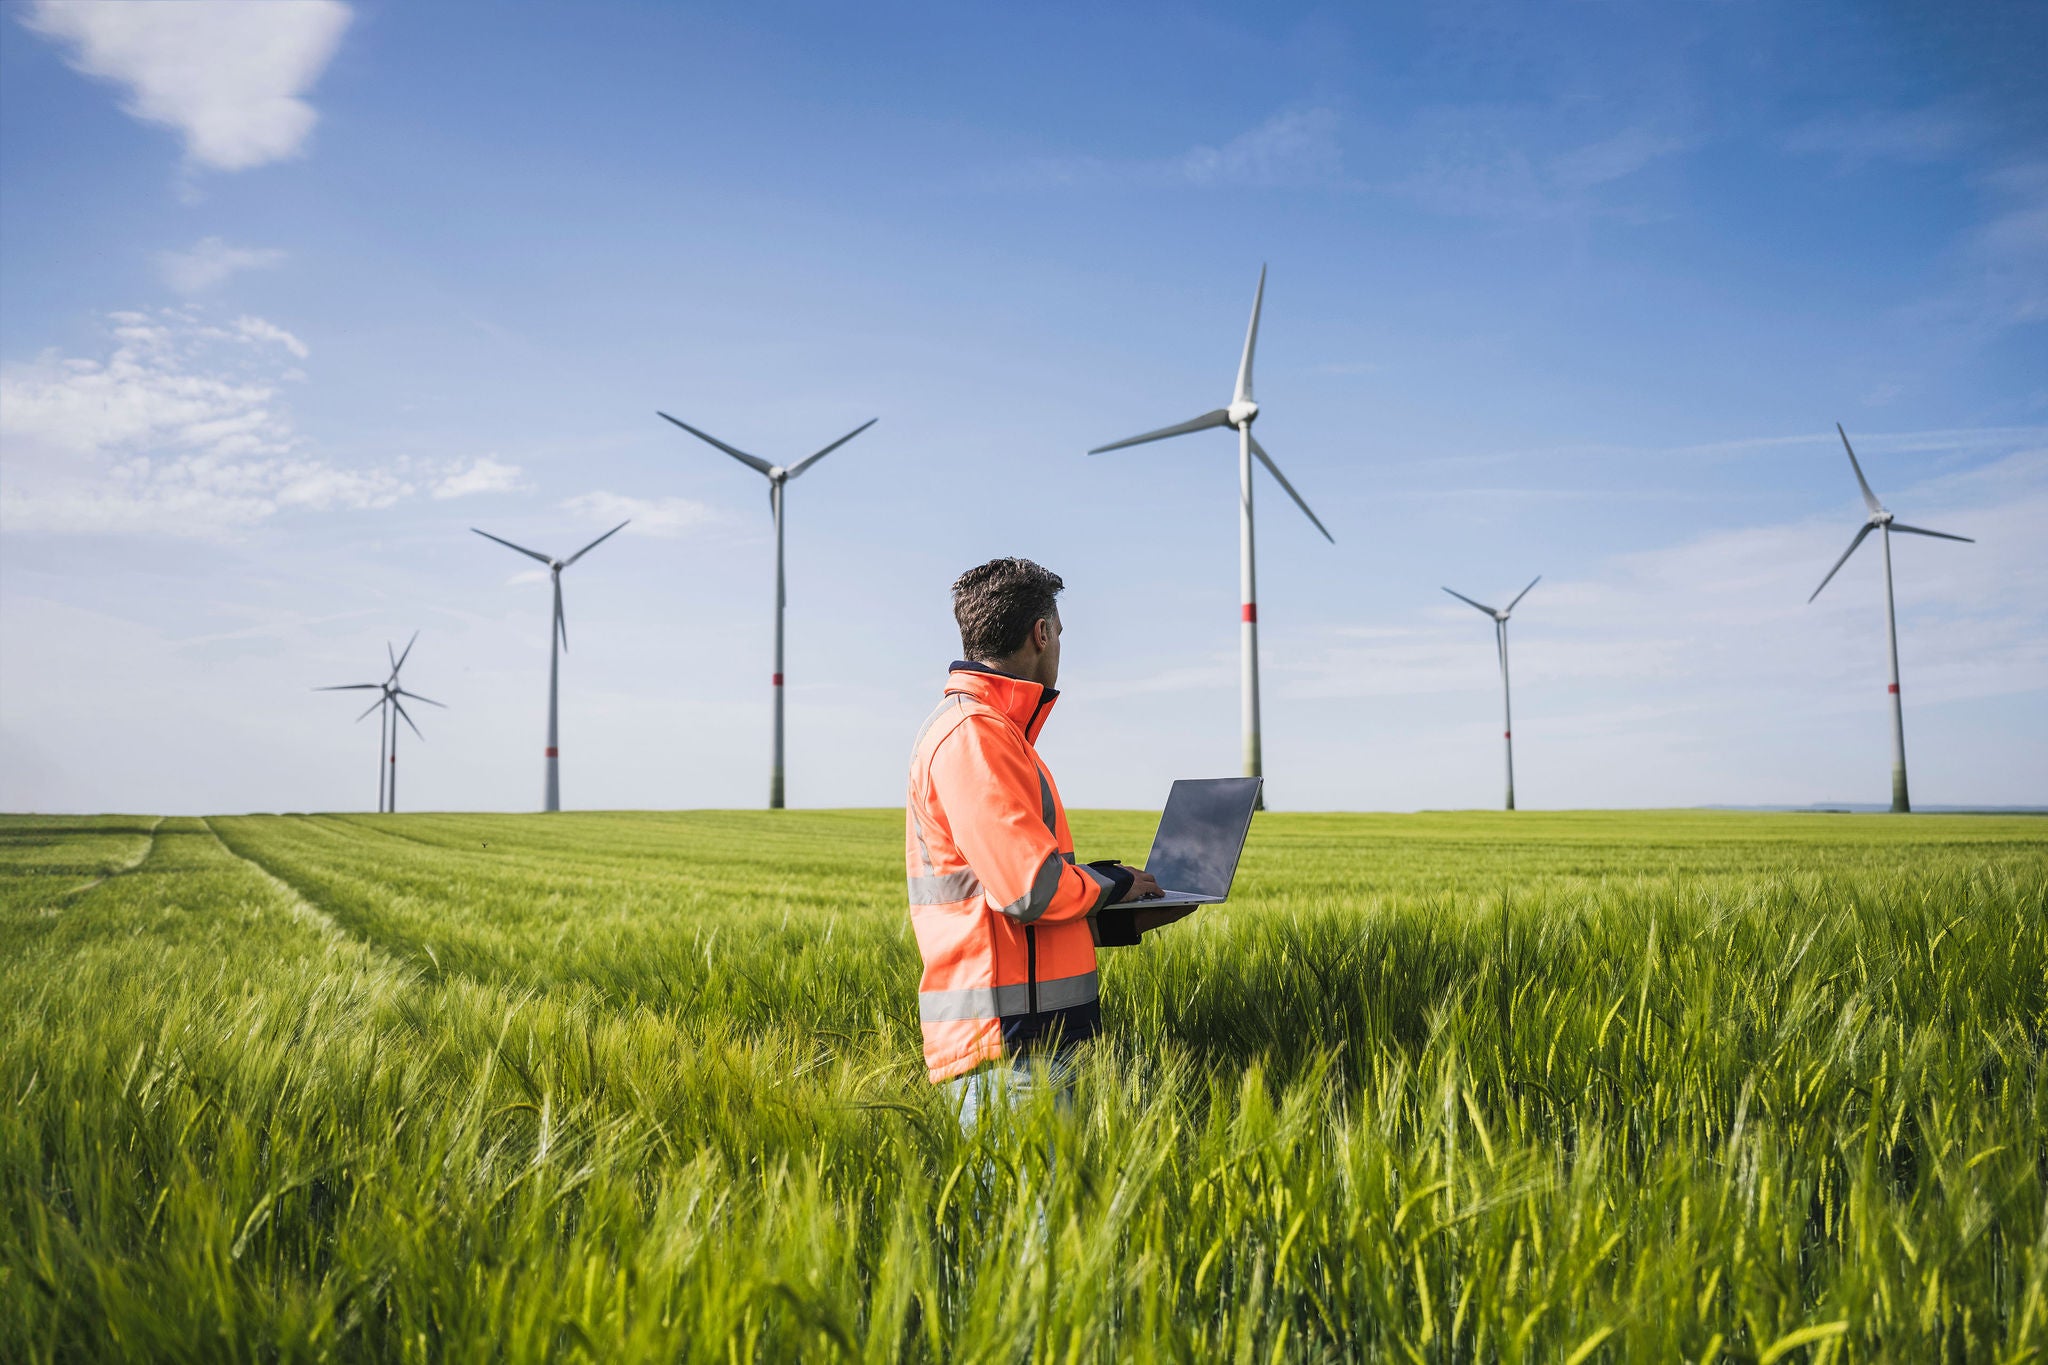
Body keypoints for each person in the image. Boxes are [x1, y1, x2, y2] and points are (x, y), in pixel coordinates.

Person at [906, 557, 1194, 1127]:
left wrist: (1122, 911)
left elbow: (1013, 911)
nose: (1060, 645)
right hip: (1012, 1055)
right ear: (1041, 633)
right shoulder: (975, 735)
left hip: (1032, 1046)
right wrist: (1112, 882)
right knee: (1031, 1219)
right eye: (1059, 632)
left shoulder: (995, 733)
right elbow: (1030, 889)